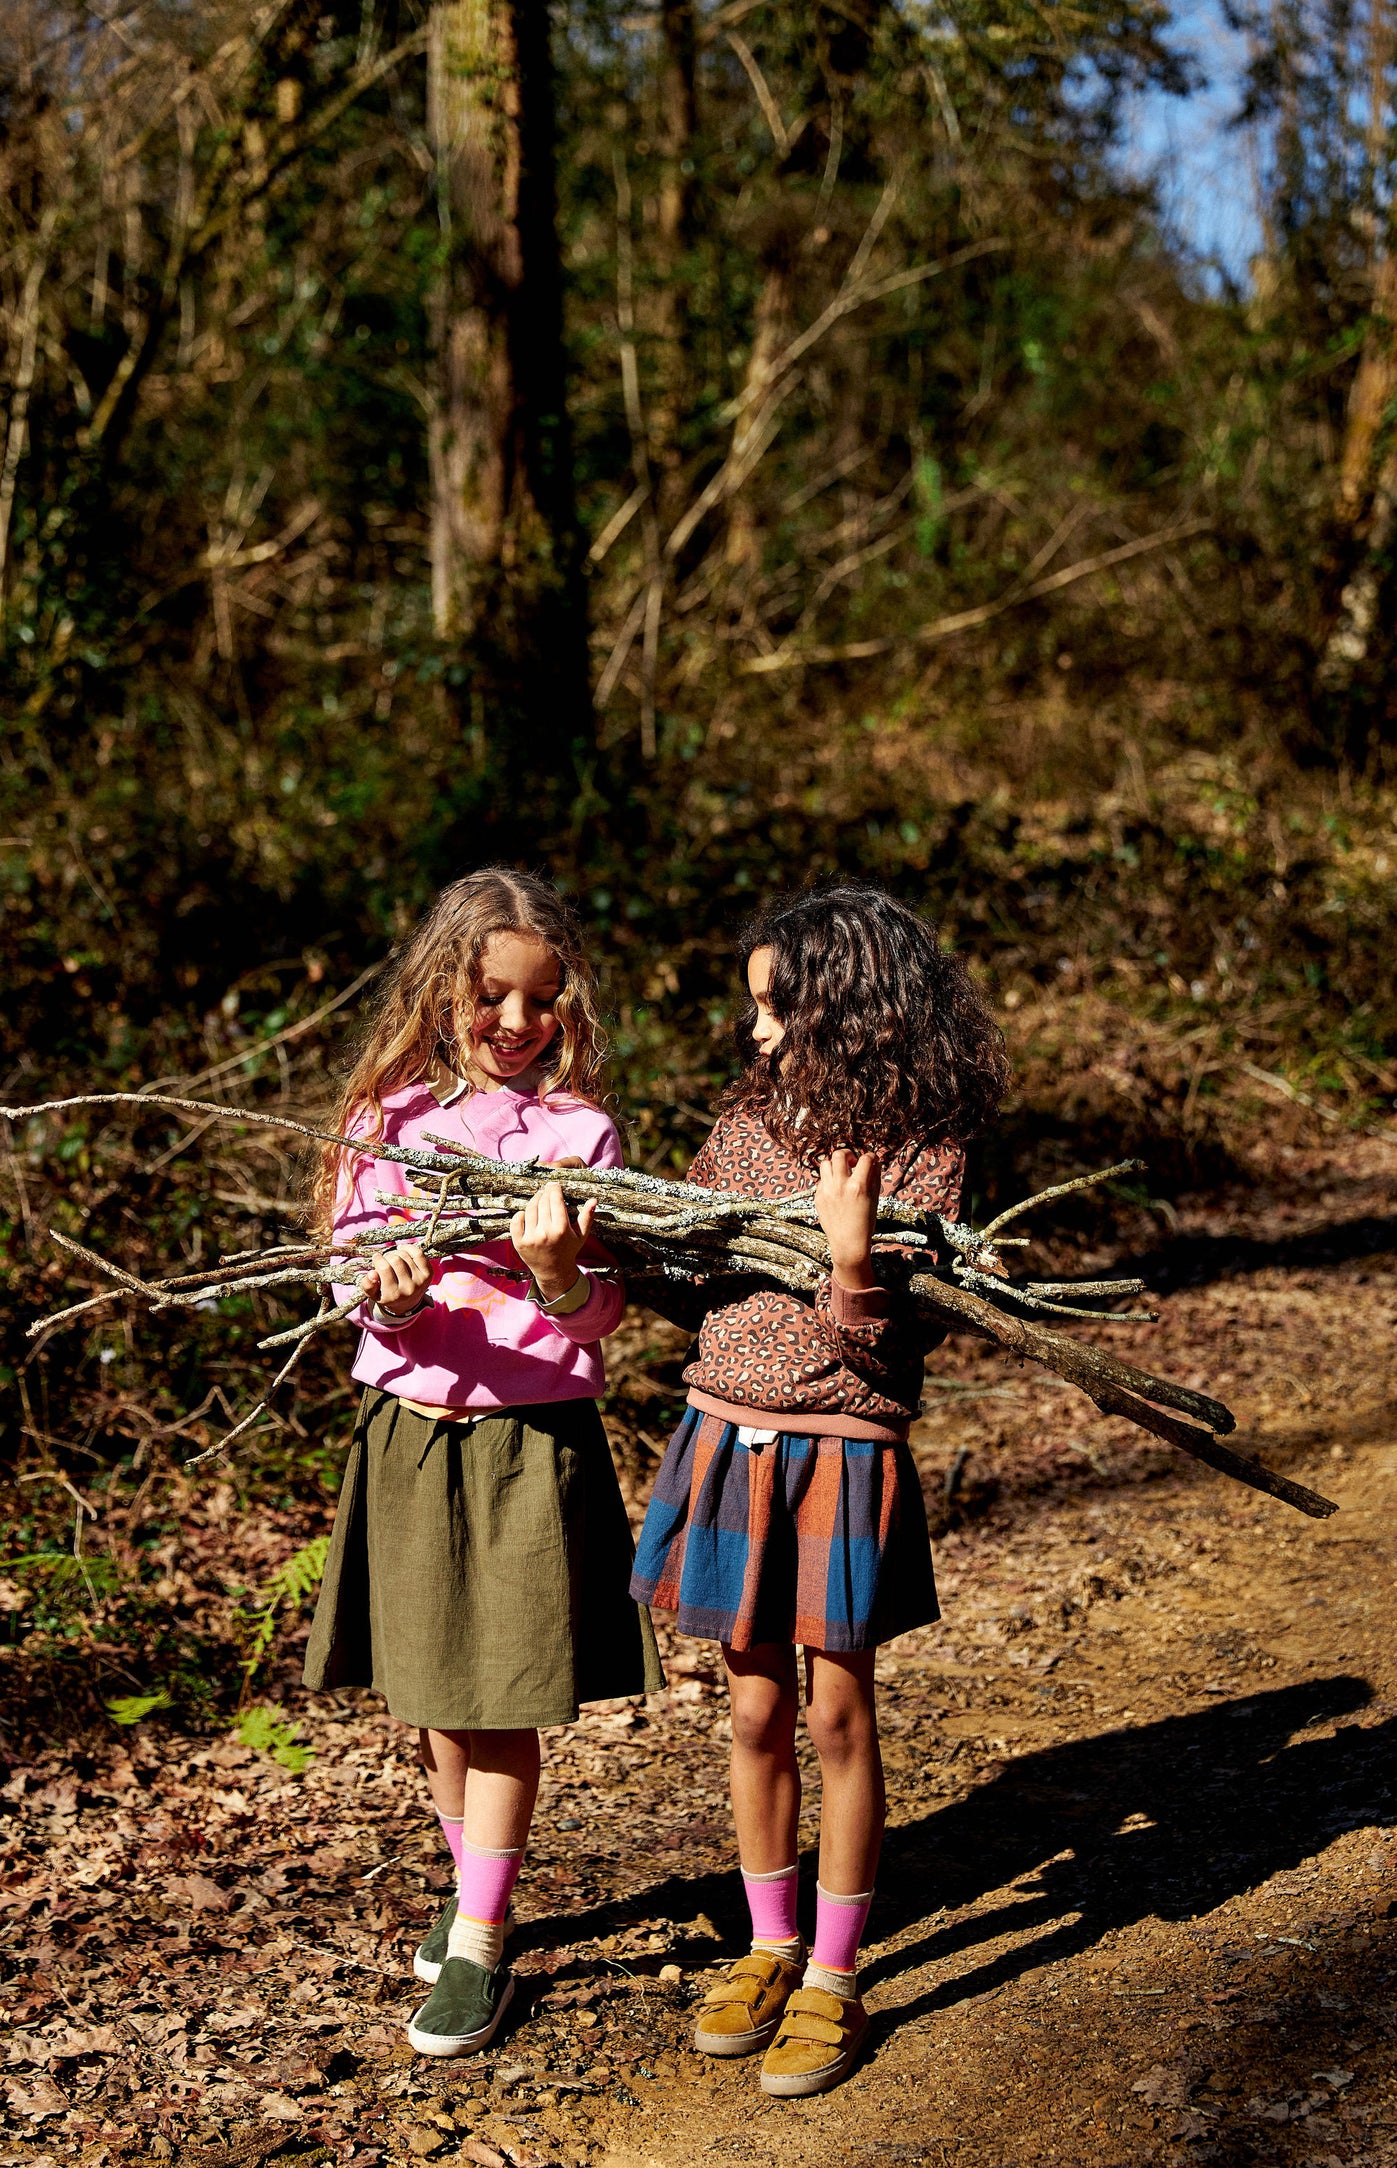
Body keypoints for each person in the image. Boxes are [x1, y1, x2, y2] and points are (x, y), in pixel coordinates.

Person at [630, 885, 1008, 2098]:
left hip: (839, 1450)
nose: (753, 1034)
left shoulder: (920, 1148)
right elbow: (694, 1287)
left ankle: (835, 1975)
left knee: (839, 1716)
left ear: (844, 1008)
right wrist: (582, 1257)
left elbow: (895, 1352)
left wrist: (850, 1267)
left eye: (773, 1009)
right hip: (724, 1438)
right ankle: (769, 1945)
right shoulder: (743, 1127)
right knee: (749, 1712)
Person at [303, 867, 662, 2061]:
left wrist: (560, 1275)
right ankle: (475, 1897)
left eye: (542, 999)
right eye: (492, 994)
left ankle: (479, 1933)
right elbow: (352, 1276)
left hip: (527, 1439)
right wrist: (391, 1305)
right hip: (409, 1429)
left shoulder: (580, 1136)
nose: (517, 1022)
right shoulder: (385, 1118)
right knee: (432, 1693)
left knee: (500, 1695)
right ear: (442, 985)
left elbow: (601, 1312)